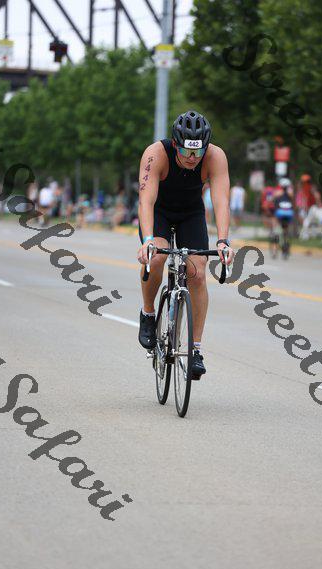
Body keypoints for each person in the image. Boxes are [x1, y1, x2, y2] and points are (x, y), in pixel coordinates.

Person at [137, 109, 234, 380]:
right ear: (175, 143)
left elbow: (221, 201)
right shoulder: (155, 154)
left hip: (191, 213)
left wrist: (223, 241)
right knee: (156, 258)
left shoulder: (215, 157)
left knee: (198, 274)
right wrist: (147, 241)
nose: (192, 157)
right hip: (159, 212)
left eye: (198, 151)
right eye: (186, 151)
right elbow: (146, 201)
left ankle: (195, 350)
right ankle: (148, 313)